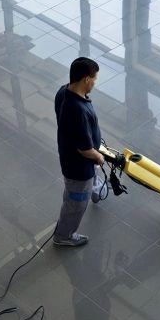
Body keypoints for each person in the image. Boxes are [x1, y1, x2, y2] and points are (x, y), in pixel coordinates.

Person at [53, 57, 106, 247]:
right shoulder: (76, 110)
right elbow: (84, 150)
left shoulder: (63, 91)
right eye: (94, 79)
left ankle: (96, 189)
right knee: (75, 203)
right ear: (85, 79)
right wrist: (99, 156)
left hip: (79, 159)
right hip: (78, 168)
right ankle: (63, 235)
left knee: (92, 177)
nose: (95, 82)